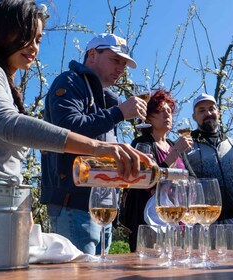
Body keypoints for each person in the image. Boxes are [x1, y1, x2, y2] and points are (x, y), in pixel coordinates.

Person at [0, 0, 151, 231]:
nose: (34, 47)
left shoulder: (7, 83)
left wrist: (21, 204)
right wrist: (98, 147)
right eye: (26, 35)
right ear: (1, 31)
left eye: (38, 39)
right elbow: (8, 124)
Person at [40, 33, 148, 255]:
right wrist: (118, 113)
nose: (121, 68)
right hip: (74, 205)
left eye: (124, 64)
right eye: (115, 60)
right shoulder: (70, 81)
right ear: (92, 54)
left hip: (104, 206)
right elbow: (66, 128)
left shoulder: (107, 98)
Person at [122, 89, 196, 252]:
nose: (167, 115)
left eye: (169, 111)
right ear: (148, 117)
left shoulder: (171, 143)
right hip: (150, 222)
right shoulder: (142, 143)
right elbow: (147, 180)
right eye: (160, 111)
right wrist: (175, 152)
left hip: (177, 219)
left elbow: (192, 179)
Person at [187, 93, 233, 224]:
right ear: (194, 117)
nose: (208, 113)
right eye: (201, 110)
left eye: (211, 109)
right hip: (199, 223)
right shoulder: (186, 145)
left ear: (218, 113)